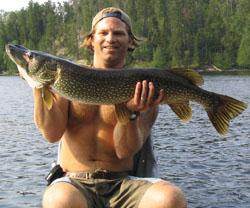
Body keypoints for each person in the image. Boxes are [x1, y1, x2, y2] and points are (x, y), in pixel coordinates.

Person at [35, 7, 187, 208]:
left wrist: (132, 111)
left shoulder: (144, 88)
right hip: (74, 183)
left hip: (124, 184)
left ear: (130, 41)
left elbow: (124, 151)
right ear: (91, 40)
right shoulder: (66, 78)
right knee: (59, 199)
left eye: (118, 33)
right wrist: (38, 85)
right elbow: (51, 134)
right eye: (103, 33)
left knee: (171, 198)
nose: (110, 38)